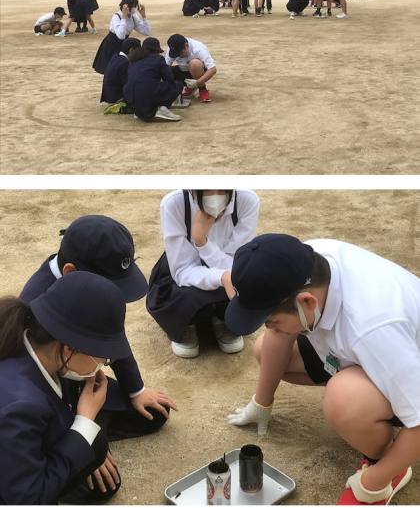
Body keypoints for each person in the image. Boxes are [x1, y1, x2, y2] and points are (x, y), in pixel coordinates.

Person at [225, 233, 419, 505]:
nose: (268, 326)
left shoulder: (373, 328)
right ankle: (364, 398)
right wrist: (262, 401)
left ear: (307, 302)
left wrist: (374, 481)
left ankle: (388, 463)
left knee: (343, 399)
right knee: (264, 348)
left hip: (403, 358)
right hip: (370, 350)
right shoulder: (306, 260)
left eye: (270, 320)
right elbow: (279, 332)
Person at [20, 214, 177, 504]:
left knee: (155, 413)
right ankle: (89, 431)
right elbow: (38, 391)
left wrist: (137, 390)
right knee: (102, 486)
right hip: (51, 406)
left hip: (78, 377)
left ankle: (94, 424)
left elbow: (110, 338)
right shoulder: (33, 308)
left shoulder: (83, 283)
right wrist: (83, 437)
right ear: (70, 272)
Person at [0, 270, 132, 505]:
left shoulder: (26, 342)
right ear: (70, 349)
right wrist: (84, 424)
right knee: (94, 446)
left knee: (97, 452)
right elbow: (27, 498)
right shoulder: (21, 407)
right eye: (104, 356)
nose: (103, 363)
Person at [147, 189, 260, 358]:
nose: (215, 196)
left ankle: (222, 317)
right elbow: (182, 270)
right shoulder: (174, 203)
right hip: (186, 270)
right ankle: (189, 321)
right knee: (182, 295)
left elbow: (237, 263)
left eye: (223, 188)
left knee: (252, 276)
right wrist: (221, 277)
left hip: (228, 267)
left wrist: (203, 243)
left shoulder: (247, 200)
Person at [108, 37, 184, 122]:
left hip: (130, 97)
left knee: (144, 89)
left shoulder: (133, 60)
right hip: (148, 94)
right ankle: (160, 108)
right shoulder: (158, 59)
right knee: (177, 85)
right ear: (156, 51)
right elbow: (170, 78)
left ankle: (140, 112)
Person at [92, 0, 150, 75]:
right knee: (111, 71)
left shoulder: (133, 17)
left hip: (124, 46)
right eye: (131, 5)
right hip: (112, 46)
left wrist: (143, 16)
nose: (133, 8)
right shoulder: (116, 17)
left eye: (134, 5)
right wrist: (124, 18)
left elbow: (146, 32)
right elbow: (121, 36)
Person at [165, 33, 216, 103]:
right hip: (183, 70)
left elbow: (212, 69)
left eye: (180, 53)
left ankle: (202, 89)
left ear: (186, 45)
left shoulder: (198, 49)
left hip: (200, 72)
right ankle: (187, 88)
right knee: (166, 71)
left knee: (194, 64)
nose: (178, 56)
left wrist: (197, 82)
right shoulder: (172, 48)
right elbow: (166, 66)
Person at [100, 37, 141, 106]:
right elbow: (127, 84)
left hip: (110, 95)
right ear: (131, 50)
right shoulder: (124, 63)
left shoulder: (116, 57)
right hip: (116, 98)